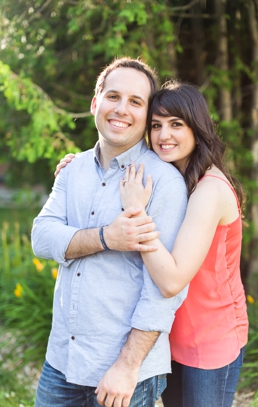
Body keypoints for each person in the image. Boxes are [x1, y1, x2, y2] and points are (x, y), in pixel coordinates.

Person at [58, 81, 248, 406]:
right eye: (156, 125)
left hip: (209, 337)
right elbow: (108, 169)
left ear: (197, 127)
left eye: (176, 124)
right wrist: (79, 168)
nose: (164, 136)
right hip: (170, 333)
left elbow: (172, 280)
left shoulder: (210, 190)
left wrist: (136, 213)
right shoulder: (172, 177)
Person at [31, 57, 189, 407]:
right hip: (62, 361)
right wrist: (106, 237)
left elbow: (164, 291)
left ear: (147, 115)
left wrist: (127, 365)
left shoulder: (163, 182)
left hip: (125, 374)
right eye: (113, 96)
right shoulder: (72, 170)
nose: (121, 109)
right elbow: (41, 237)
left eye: (135, 102)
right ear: (95, 102)